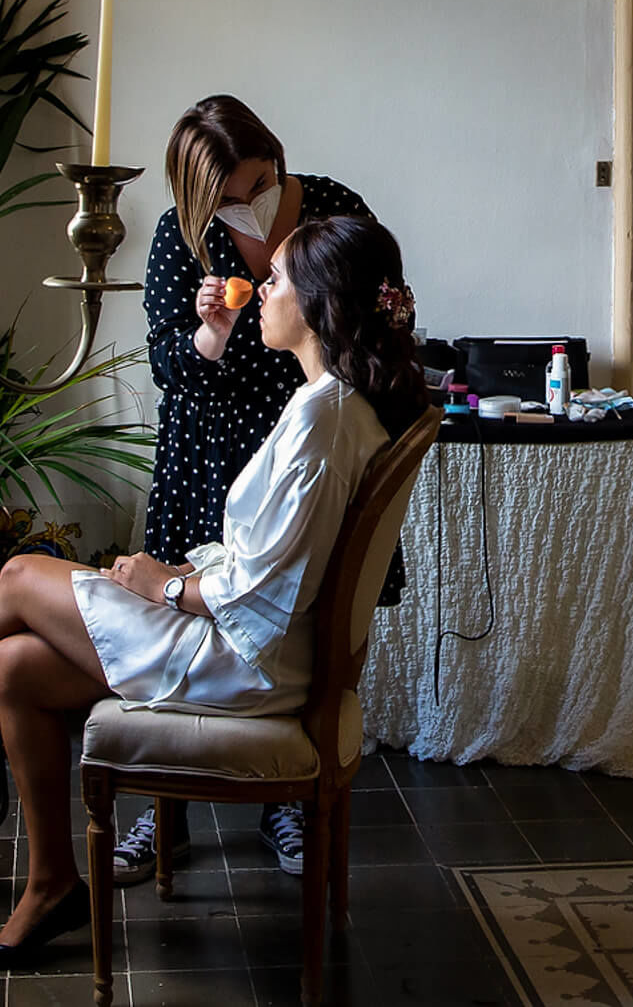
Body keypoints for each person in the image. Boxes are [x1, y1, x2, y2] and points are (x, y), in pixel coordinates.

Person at [0, 216, 425, 967]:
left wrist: (162, 583)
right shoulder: (332, 405)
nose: (263, 291)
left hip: (242, 659)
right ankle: (51, 883)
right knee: (11, 667)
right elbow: (272, 572)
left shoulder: (323, 420)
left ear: (319, 303)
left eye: (277, 282)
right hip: (255, 642)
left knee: (15, 575)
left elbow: (259, 591)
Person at [123, 95, 380, 882]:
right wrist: (209, 331)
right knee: (189, 623)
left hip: (308, 430)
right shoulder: (182, 234)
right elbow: (167, 364)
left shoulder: (332, 207)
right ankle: (164, 807)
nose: (254, 200)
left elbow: (379, 306)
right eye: (234, 195)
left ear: (275, 155)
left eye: (262, 178)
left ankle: (289, 796)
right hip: (214, 448)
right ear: (204, 196)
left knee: (298, 620)